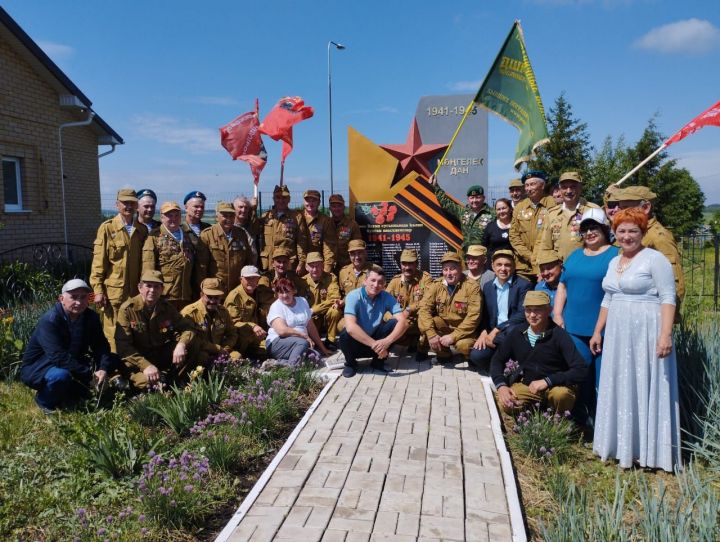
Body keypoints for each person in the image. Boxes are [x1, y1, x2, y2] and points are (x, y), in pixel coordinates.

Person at [590, 208, 680, 473]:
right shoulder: (613, 261)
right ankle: (620, 446)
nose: (627, 236)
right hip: (618, 333)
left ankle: (649, 451)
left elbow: (668, 297)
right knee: (621, 383)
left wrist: (665, 335)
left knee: (645, 383)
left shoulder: (655, 259)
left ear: (642, 233)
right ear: (614, 233)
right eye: (622, 231)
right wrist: (598, 331)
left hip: (646, 332)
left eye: (633, 231)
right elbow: (608, 297)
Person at [553, 208, 618, 424]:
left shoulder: (615, 255)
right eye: (586, 229)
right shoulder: (575, 255)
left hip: (603, 329)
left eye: (594, 228)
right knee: (578, 375)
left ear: (604, 229)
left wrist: (599, 330)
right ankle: (580, 419)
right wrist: (557, 313)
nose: (589, 232)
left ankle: (603, 424)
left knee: (602, 379)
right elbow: (562, 285)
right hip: (573, 326)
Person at [21, 279, 122, 412]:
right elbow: (58, 357)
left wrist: (103, 368)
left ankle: (74, 393)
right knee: (61, 376)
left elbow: (100, 345)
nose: (79, 302)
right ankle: (44, 400)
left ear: (88, 299)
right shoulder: (50, 321)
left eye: (83, 297)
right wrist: (89, 374)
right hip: (43, 365)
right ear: (61, 299)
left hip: (73, 361)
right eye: (73, 297)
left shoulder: (91, 317)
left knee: (115, 360)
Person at [491, 291, 587, 415]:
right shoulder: (518, 332)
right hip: (528, 385)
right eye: (528, 310)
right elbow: (497, 359)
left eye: (538, 310)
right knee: (506, 401)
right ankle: (518, 432)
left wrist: (548, 381)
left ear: (549, 310)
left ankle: (557, 428)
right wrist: (501, 385)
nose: (532, 315)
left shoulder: (559, 335)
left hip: (557, 386)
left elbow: (581, 369)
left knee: (561, 395)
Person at [115, 270, 196, 390]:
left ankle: (172, 381)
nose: (152, 290)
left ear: (162, 289)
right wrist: (146, 366)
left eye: (157, 287)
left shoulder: (167, 308)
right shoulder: (128, 309)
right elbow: (123, 346)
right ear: (140, 287)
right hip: (137, 360)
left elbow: (188, 327)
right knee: (147, 383)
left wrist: (181, 345)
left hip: (158, 354)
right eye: (148, 286)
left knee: (192, 345)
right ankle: (153, 381)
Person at [90, 188, 148, 350]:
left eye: (131, 203)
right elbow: (98, 263)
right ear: (117, 205)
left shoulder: (141, 230)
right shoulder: (107, 228)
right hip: (115, 292)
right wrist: (98, 290)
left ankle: (132, 365)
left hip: (135, 292)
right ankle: (113, 368)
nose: (128, 206)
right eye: (124, 203)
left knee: (136, 327)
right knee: (114, 330)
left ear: (136, 205)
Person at [615, 186, 685, 310]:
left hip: (650, 311)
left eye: (626, 208)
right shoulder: (631, 233)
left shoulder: (658, 237)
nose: (621, 212)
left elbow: (674, 282)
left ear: (646, 208)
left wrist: (667, 318)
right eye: (621, 208)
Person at [339, 265, 409, 377]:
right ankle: (351, 364)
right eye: (373, 280)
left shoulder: (386, 297)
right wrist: (376, 346)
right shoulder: (353, 296)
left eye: (380, 282)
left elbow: (404, 322)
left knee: (394, 324)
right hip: (358, 342)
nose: (376, 285)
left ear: (384, 284)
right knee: (345, 334)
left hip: (378, 342)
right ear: (365, 281)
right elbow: (351, 327)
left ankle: (378, 362)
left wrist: (387, 341)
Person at [469, 250, 532, 372]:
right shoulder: (488, 286)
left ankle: (510, 364)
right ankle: (503, 364)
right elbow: (485, 314)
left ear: (514, 267)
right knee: (476, 356)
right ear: (493, 266)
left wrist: (497, 329)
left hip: (513, 331)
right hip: (493, 333)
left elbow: (522, 314)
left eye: (507, 265)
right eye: (499, 264)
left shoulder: (524, 285)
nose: (503, 268)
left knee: (509, 335)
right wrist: (483, 332)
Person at [417, 251, 481, 363]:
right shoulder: (436, 285)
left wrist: (453, 336)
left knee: (463, 346)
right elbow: (424, 308)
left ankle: (468, 357)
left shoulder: (472, 287)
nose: (448, 273)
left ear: (460, 269)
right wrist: (431, 335)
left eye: (452, 269)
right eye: (445, 269)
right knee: (427, 324)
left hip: (465, 330)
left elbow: (474, 317)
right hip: (445, 327)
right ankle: (444, 355)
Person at [143, 201, 196, 310]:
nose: (173, 219)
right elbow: (148, 268)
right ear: (162, 218)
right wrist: (150, 294)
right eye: (169, 216)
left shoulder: (188, 236)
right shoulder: (154, 237)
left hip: (186, 294)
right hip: (165, 295)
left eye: (176, 215)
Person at [537, 171, 600, 261]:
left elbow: (605, 243)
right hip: (560, 270)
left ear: (580, 188)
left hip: (588, 267)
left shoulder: (593, 211)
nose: (568, 191)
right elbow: (545, 246)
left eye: (573, 187)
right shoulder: (552, 214)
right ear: (560, 189)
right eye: (564, 187)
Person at [266, 278, 332, 365]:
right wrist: (303, 335)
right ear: (277, 294)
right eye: (281, 293)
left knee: (315, 356)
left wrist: (323, 348)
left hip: (298, 343)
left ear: (294, 291)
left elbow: (310, 326)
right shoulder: (276, 306)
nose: (285, 295)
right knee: (302, 344)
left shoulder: (302, 301)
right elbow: (282, 331)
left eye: (287, 291)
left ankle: (278, 363)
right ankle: (292, 369)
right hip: (278, 342)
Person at [509, 170, 556, 282]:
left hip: (547, 266)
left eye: (533, 184)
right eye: (527, 185)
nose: (529, 188)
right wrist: (530, 256)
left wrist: (539, 258)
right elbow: (513, 236)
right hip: (524, 267)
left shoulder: (553, 204)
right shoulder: (520, 207)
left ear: (542, 185)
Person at [386, 248, 433, 359]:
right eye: (404, 263)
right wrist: (391, 317)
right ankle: (411, 342)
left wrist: (409, 309)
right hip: (402, 319)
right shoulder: (395, 281)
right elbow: (384, 300)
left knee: (426, 318)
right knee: (388, 323)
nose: (407, 267)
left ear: (416, 263)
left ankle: (422, 349)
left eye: (411, 263)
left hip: (418, 319)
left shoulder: (425, 279)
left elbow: (428, 300)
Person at [197, 201, 253, 293]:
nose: (229, 219)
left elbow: (248, 260)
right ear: (217, 217)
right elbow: (201, 268)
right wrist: (204, 289)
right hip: (215, 289)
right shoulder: (207, 235)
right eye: (225, 216)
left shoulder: (241, 234)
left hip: (237, 288)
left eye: (231, 216)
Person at [181, 278, 239, 365]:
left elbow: (232, 333)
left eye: (216, 298)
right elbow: (192, 340)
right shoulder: (190, 312)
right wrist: (217, 349)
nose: (212, 301)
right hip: (200, 351)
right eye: (209, 297)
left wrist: (225, 349)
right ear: (201, 294)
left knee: (237, 357)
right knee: (203, 357)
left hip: (220, 351)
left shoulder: (223, 311)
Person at [431, 175, 494, 251]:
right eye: (472, 198)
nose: (474, 200)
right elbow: (446, 203)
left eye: (478, 197)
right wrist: (436, 187)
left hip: (485, 256)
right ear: (468, 199)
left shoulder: (492, 213)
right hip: (468, 257)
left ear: (483, 198)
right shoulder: (463, 212)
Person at [224, 265, 274, 358]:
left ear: (258, 279)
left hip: (255, 337)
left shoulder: (260, 291)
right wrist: (252, 326)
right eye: (248, 278)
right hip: (238, 339)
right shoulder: (234, 297)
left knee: (272, 348)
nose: (251, 282)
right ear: (241, 279)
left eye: (254, 278)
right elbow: (232, 323)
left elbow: (276, 299)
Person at [260, 184, 310, 273]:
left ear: (289, 199)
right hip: (269, 263)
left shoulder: (296, 217)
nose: (281, 200)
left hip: (288, 263)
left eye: (284, 198)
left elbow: (301, 241)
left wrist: (302, 262)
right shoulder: (266, 216)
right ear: (273, 199)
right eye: (278, 197)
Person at [303, 252, 343, 350]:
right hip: (311, 320)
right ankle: (312, 340)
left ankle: (330, 340)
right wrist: (310, 312)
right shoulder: (302, 282)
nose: (315, 269)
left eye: (318, 266)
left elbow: (334, 298)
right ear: (306, 267)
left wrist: (314, 310)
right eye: (312, 266)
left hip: (326, 316)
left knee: (335, 311)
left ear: (323, 266)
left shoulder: (330, 278)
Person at [182, 191, 211, 300]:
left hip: (204, 279)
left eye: (202, 207)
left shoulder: (208, 229)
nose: (199, 209)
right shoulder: (179, 229)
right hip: (186, 281)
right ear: (186, 207)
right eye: (196, 206)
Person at [303, 189, 337, 273]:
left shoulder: (326, 221)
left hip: (317, 267)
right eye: (307, 200)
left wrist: (327, 269)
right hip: (299, 266)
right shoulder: (296, 217)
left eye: (314, 200)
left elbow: (329, 248)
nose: (310, 203)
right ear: (304, 202)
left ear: (319, 202)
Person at [327, 193, 362, 272]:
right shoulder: (326, 224)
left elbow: (358, 246)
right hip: (329, 266)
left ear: (343, 207)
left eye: (339, 206)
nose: (337, 209)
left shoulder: (352, 224)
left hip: (347, 266)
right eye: (334, 206)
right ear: (330, 208)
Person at [483, 197, 513, 265]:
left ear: (510, 209)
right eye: (498, 209)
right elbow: (484, 246)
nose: (501, 211)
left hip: (511, 265)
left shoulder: (516, 226)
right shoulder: (490, 226)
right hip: (492, 265)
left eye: (504, 208)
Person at [233, 195, 261, 266]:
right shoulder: (230, 228)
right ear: (234, 209)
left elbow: (253, 217)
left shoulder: (252, 226)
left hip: (252, 267)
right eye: (240, 207)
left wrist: (253, 208)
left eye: (246, 208)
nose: (243, 210)